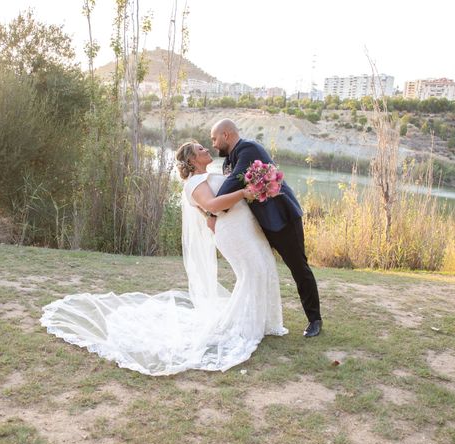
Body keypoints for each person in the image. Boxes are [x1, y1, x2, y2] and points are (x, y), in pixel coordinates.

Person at [39, 141, 287, 376]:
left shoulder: (209, 175)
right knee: (252, 273)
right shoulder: (194, 183)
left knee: (260, 269)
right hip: (233, 232)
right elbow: (211, 205)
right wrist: (244, 192)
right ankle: (245, 327)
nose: (207, 148)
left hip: (242, 228)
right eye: (201, 148)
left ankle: (260, 322)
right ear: (192, 159)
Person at [209, 119, 323, 337]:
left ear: (226, 135)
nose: (213, 144)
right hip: (258, 225)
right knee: (258, 269)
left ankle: (314, 320)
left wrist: (211, 209)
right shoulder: (227, 163)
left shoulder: (249, 149)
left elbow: (230, 186)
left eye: (214, 138)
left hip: (282, 218)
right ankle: (257, 319)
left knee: (299, 267)